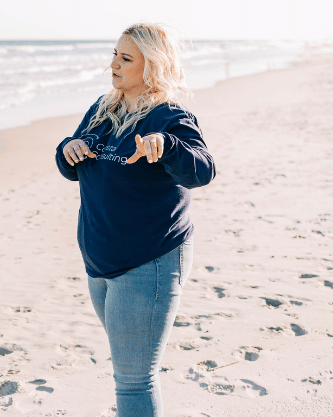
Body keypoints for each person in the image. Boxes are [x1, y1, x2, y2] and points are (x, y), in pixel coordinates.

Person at [55, 23, 216, 417]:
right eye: (114, 53)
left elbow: (203, 171)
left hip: (149, 260)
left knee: (133, 379)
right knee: (130, 368)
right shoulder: (102, 109)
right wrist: (68, 148)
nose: (113, 63)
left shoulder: (169, 116)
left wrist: (169, 147)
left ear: (152, 67)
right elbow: (71, 165)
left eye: (126, 58)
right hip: (99, 258)